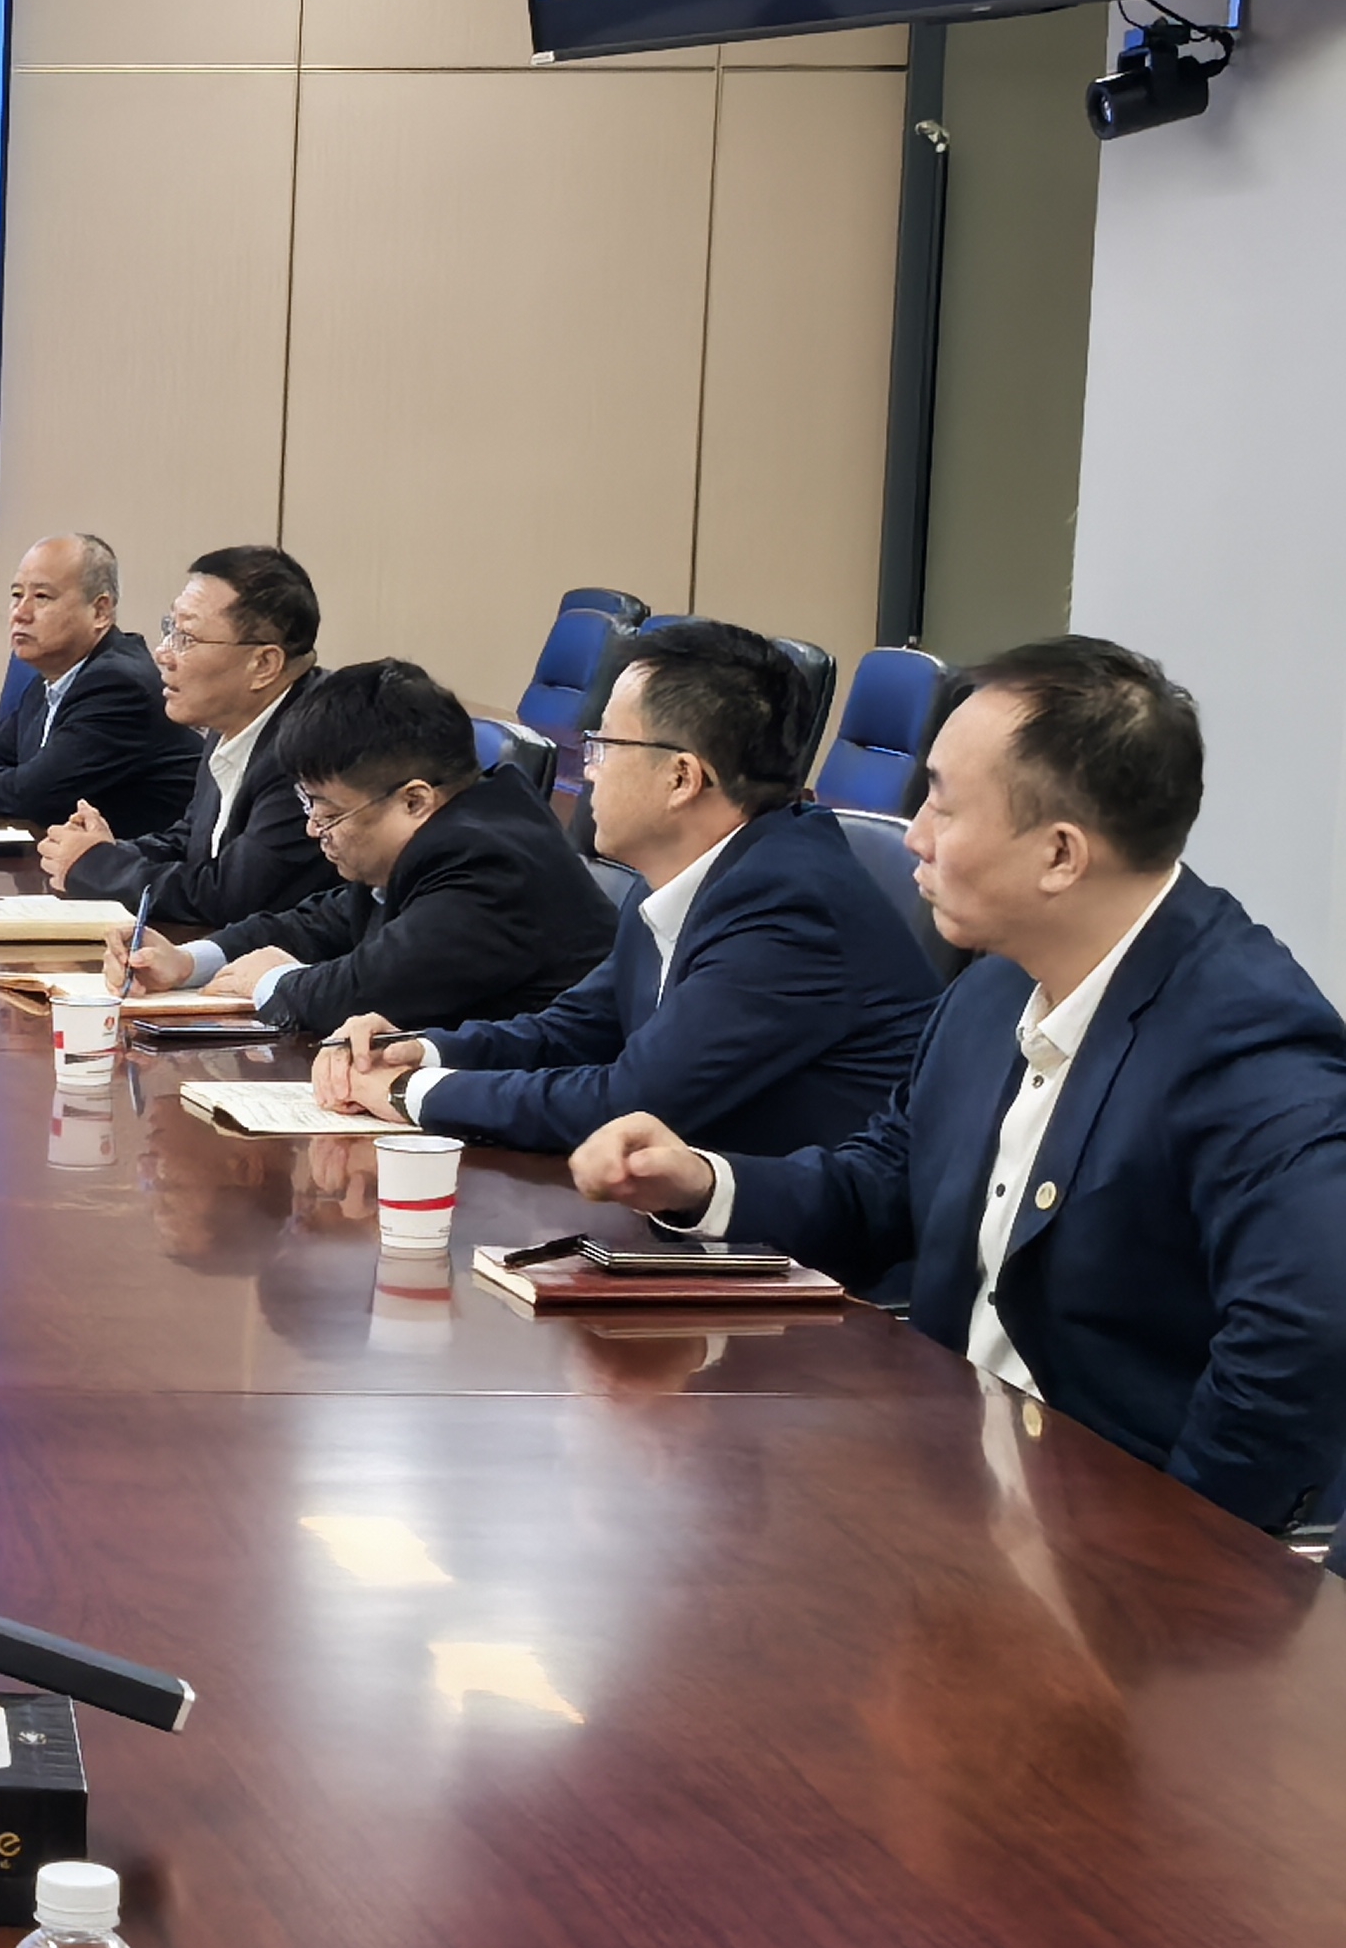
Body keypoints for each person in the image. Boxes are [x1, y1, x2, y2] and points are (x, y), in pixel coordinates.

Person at [574, 636, 1346, 1533]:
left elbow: (1302, 1338)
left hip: (1108, 1542)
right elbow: (881, 1187)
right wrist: (704, 1182)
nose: (914, 836)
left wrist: (1182, 1554)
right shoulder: (992, 988)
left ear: (1059, 856)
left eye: (943, 804)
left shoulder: (1247, 1043)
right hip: (946, 1484)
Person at [312, 620, 939, 1154]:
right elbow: (573, 1029)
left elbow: (630, 1103)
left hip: (802, 1248)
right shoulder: (686, 872)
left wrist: (412, 1095)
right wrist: (420, 1051)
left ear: (681, 778)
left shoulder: (790, 908)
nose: (588, 771)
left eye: (604, 746)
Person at [117, 656, 612, 1034]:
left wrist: (270, 982)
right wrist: (189, 961)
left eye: (328, 812)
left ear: (414, 801)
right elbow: (321, 922)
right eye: (308, 805)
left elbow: (369, 991)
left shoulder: (493, 863)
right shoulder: (443, 836)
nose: (314, 830)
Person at [42, 546, 335, 929]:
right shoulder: (235, 717)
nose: (162, 654)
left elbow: (231, 897)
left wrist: (95, 866)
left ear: (264, 664)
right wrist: (110, 850)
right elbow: (193, 842)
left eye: (187, 638)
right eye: (170, 629)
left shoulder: (314, 745)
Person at [0, 534, 192, 837]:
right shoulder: (54, 676)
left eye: (42, 597)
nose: (20, 613)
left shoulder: (118, 686)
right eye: (17, 595)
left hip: (153, 860)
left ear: (100, 611)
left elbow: (32, 794)